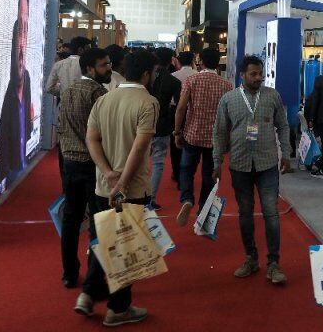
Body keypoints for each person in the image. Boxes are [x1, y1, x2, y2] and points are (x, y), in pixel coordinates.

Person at [77, 51, 159, 326]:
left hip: (103, 186)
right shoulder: (148, 102)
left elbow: (91, 139)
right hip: (131, 188)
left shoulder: (104, 99)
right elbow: (140, 146)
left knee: (104, 240)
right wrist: (121, 182)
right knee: (126, 247)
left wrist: (107, 173)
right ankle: (118, 309)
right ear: (146, 74)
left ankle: (88, 295)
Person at [212, 55, 291, 283]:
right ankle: (251, 258)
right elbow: (219, 132)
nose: (258, 78)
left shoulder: (272, 96)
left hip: (267, 164)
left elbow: (283, 126)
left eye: (260, 74)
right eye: (253, 74)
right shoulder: (228, 99)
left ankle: (274, 263)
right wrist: (217, 161)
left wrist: (286, 153)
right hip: (240, 165)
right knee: (245, 213)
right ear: (242, 75)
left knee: (271, 213)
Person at [57, 48, 111, 288]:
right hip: (92, 164)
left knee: (71, 219)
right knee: (98, 220)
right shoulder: (98, 93)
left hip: (69, 162)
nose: (108, 68)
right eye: (103, 65)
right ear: (90, 69)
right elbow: (104, 132)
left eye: (108, 64)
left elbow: (62, 124)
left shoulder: (68, 89)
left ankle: (69, 273)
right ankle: (93, 277)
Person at [174, 47, 233, 226]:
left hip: (192, 134)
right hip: (215, 139)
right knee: (209, 176)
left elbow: (181, 108)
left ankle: (187, 199)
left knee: (186, 170)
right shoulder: (226, 85)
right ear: (218, 63)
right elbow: (229, 116)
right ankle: (204, 212)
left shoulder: (192, 80)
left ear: (201, 62)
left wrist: (177, 131)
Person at [0, 0, 32, 185]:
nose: (22, 44)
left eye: (25, 30)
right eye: (19, 29)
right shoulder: (2, 90)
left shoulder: (27, 80)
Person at [149, 47, 182, 210]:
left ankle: (135, 196)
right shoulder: (174, 82)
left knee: (138, 162)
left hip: (141, 123)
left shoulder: (146, 78)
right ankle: (150, 199)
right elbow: (178, 106)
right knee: (158, 163)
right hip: (162, 126)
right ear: (171, 61)